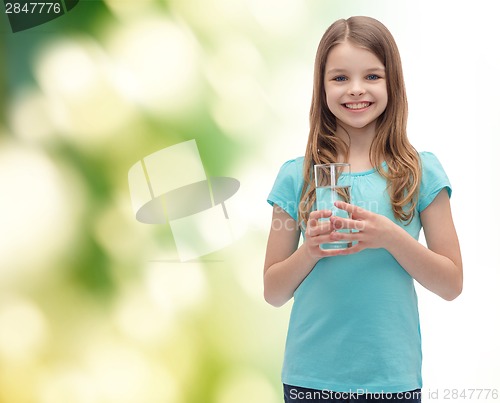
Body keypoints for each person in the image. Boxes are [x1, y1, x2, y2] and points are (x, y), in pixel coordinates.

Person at [264, 16, 462, 403]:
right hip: (310, 379)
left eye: (372, 76)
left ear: (393, 83)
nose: (356, 90)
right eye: (340, 78)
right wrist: (311, 249)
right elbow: (273, 291)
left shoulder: (419, 172)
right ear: (321, 87)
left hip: (391, 379)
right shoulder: (296, 176)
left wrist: (390, 237)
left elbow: (451, 283)